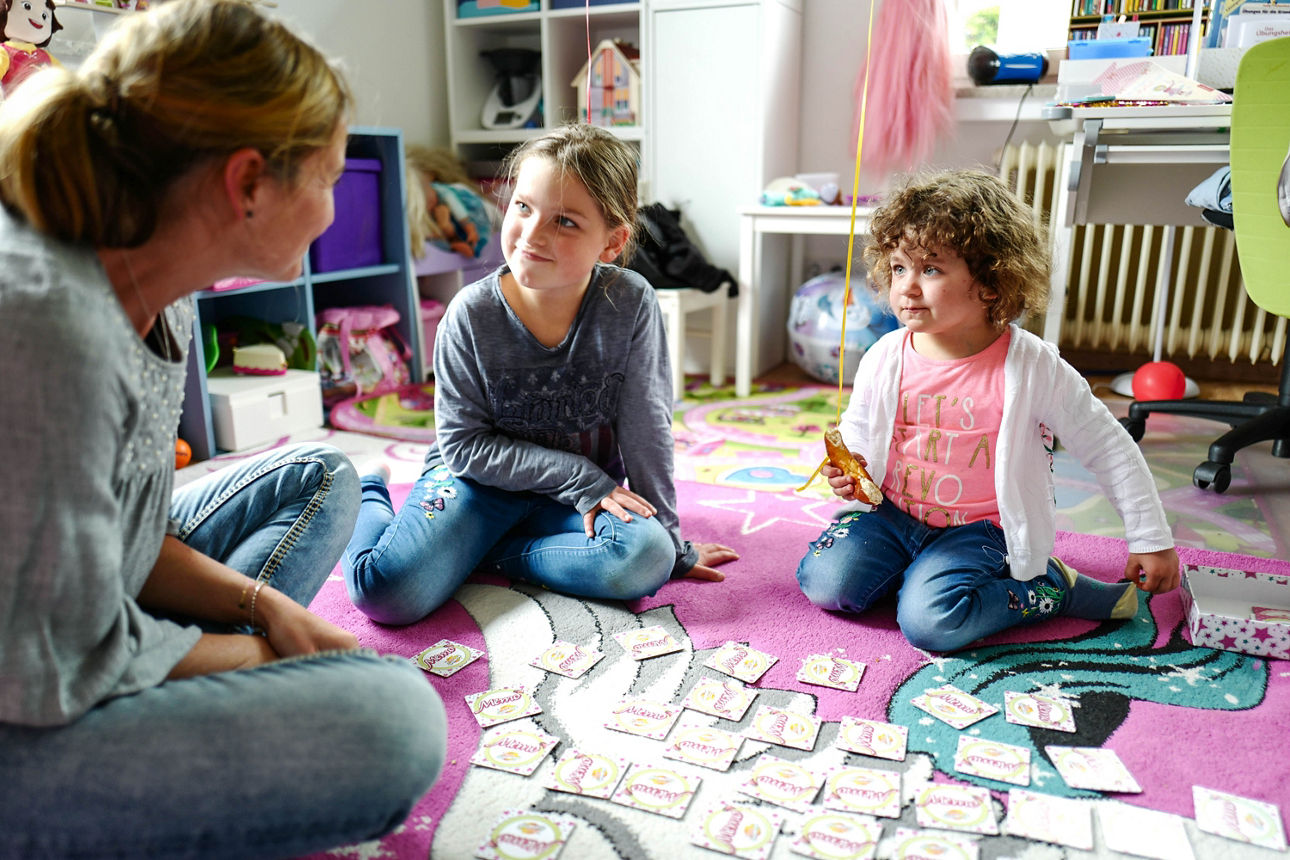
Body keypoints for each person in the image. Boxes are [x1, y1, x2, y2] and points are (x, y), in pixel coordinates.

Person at [0, 3, 445, 857]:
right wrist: (272, 660)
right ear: (247, 183)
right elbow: (55, 664)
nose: (328, 210)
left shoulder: (151, 273)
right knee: (394, 724)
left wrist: (263, 604)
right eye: (327, 179)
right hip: (32, 689)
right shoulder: (48, 330)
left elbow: (125, 531)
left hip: (63, 599)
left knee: (325, 474)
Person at [344, 122, 738, 626]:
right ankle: (368, 493)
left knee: (647, 556)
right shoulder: (470, 314)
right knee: (385, 594)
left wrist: (671, 541)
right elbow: (465, 449)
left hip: (574, 502)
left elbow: (647, 426)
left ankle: (485, 554)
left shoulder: (631, 301)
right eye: (523, 207)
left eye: (566, 221)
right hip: (478, 488)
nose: (532, 235)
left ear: (612, 241)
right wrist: (581, 478)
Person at [795, 170, 1180, 654]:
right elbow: (858, 427)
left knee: (930, 624)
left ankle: (1050, 589)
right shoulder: (885, 354)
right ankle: (919, 575)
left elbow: (1108, 446)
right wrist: (849, 467)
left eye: (931, 270)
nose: (907, 288)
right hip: (891, 513)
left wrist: (1150, 537)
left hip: (982, 531)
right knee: (825, 582)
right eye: (898, 268)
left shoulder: (1032, 365)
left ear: (992, 283)